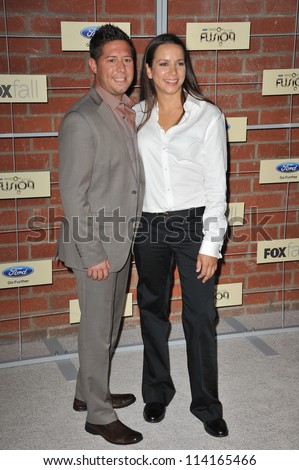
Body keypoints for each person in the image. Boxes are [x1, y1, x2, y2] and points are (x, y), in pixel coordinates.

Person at [133, 33, 228, 438]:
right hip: (149, 225)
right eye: (164, 64)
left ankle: (206, 403)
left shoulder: (208, 116)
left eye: (179, 63)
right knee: (153, 309)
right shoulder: (134, 116)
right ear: (150, 71)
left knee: (201, 315)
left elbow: (217, 186)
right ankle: (156, 391)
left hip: (194, 225)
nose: (173, 71)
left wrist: (212, 244)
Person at [57, 24, 144, 445]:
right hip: (95, 244)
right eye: (111, 59)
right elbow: (73, 196)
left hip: (120, 239)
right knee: (96, 330)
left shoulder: (127, 109)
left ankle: (84, 393)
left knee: (108, 327)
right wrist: (92, 253)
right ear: (92, 64)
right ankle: (97, 414)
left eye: (127, 58)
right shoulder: (82, 118)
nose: (121, 66)